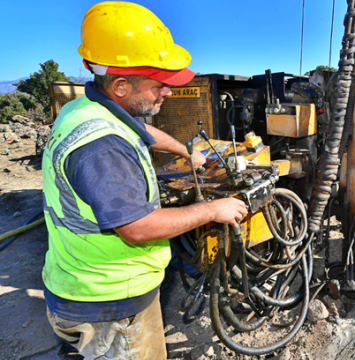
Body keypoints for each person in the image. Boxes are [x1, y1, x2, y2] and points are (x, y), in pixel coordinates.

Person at [41, 2, 248, 358]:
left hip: (79, 284)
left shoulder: (88, 107)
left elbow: (143, 130)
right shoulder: (101, 147)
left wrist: (188, 153)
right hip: (110, 305)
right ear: (121, 85)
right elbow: (137, 227)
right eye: (159, 85)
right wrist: (214, 208)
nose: (167, 92)